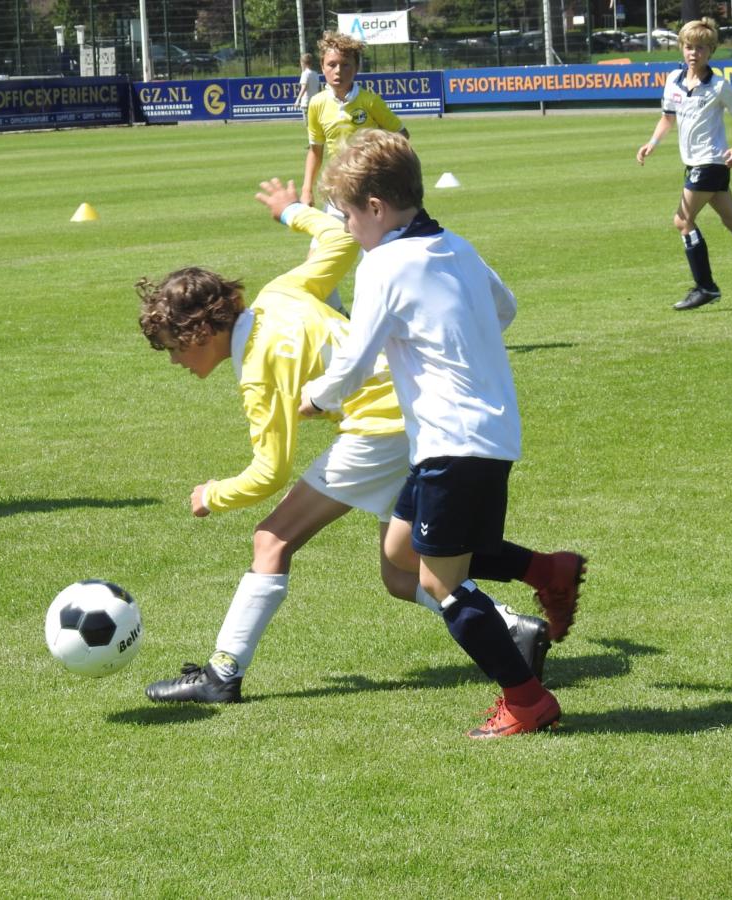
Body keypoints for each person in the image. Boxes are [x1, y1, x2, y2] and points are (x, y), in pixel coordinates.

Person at [138, 178, 585, 708]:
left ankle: (221, 673)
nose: (174, 362)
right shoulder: (280, 292)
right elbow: (340, 239)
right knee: (400, 571)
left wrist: (214, 494)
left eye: (172, 349)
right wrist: (291, 212)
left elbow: (270, 472)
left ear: (198, 334)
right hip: (413, 413)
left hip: (376, 428)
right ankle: (524, 604)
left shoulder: (258, 372)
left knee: (271, 539)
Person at [298, 130, 574, 738]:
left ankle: (526, 700)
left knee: (436, 581)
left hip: (455, 443)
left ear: (375, 208)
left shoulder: (385, 265)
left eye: (346, 216)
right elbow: (505, 309)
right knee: (402, 551)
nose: (345, 230)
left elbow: (352, 359)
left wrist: (314, 399)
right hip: (477, 437)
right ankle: (547, 571)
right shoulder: (456, 245)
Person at [636, 18, 732, 310]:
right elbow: (668, 118)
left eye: (701, 48)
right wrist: (651, 144)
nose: (694, 53)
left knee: (682, 220)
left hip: (710, 163)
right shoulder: (673, 80)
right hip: (698, 164)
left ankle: (706, 287)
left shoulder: (718, 86)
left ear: (711, 51)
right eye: (689, 47)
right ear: (681, 48)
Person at [301, 31, 409, 313]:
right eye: (332, 64)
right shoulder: (317, 104)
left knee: (375, 267)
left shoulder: (370, 102)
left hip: (372, 198)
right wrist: (306, 190)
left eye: (345, 65)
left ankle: (381, 326)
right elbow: (315, 150)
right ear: (322, 67)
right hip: (337, 196)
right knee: (317, 263)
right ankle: (342, 318)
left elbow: (401, 136)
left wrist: (380, 163)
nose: (338, 71)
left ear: (356, 68)